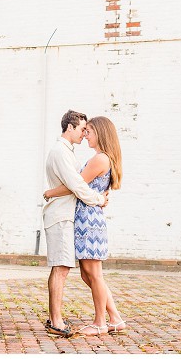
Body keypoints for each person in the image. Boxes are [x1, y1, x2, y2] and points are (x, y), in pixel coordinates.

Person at [44, 116, 126, 335]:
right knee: (87, 274)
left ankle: (100, 322)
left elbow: (75, 184)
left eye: (88, 130)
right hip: (86, 217)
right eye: (84, 129)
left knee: (94, 274)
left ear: (100, 133)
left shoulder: (100, 159)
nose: (86, 134)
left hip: (88, 219)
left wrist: (49, 192)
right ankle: (115, 318)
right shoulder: (100, 158)